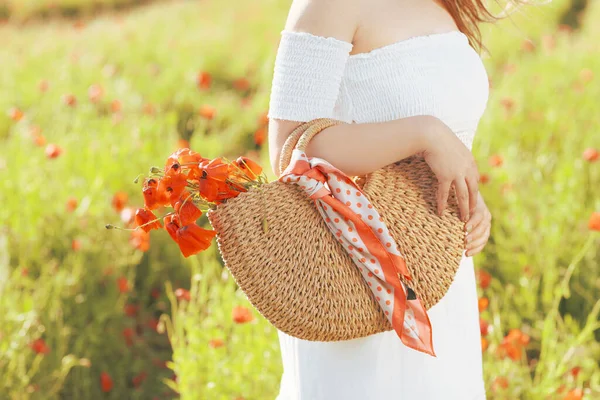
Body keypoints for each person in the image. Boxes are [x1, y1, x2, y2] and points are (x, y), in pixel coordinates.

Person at [266, 0, 496, 398]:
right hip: (355, 274)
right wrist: (425, 133)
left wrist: (469, 194)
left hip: (439, 270)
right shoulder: (325, 5)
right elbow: (289, 148)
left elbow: (452, 138)